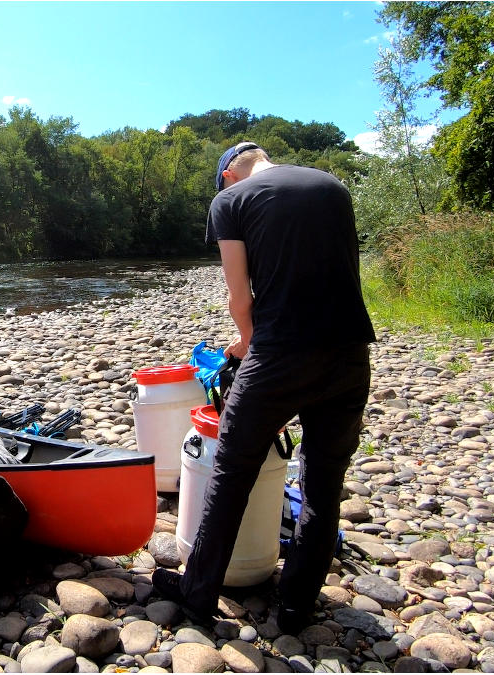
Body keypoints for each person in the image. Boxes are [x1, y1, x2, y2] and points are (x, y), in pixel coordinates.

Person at [151, 142, 375, 633]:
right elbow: (315, 278)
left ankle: (197, 594)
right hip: (348, 354)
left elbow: (239, 296)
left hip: (278, 357)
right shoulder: (332, 187)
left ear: (230, 173)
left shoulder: (230, 202)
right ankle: (296, 605)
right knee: (322, 484)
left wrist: (249, 343)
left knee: (231, 473)